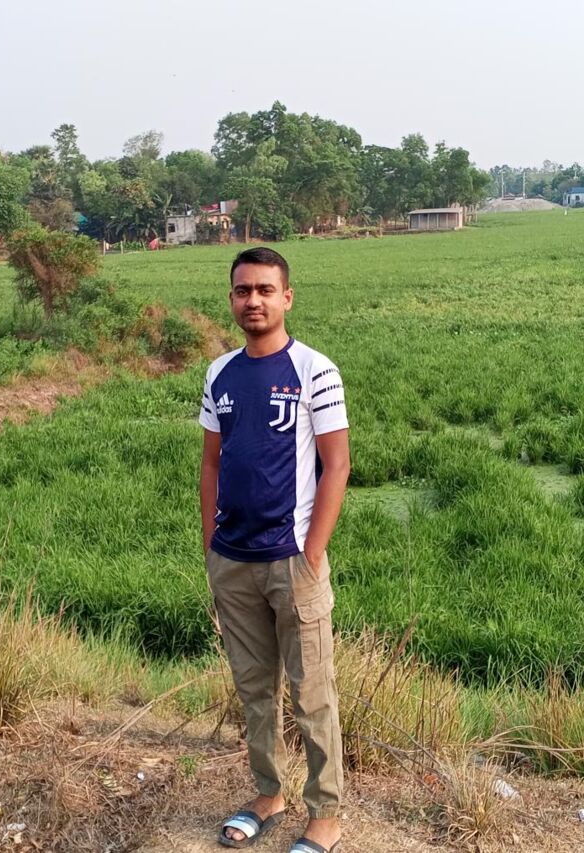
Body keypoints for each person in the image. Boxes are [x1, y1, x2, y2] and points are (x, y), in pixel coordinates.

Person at [199, 247, 350, 853]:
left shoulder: (314, 370)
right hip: (232, 561)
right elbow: (212, 463)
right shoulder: (219, 374)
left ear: (286, 297)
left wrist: (312, 552)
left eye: (265, 290)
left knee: (312, 694)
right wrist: (210, 544)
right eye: (243, 291)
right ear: (232, 299)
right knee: (254, 690)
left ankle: (326, 814)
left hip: (292, 561)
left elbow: (337, 465)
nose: (253, 301)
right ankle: (268, 793)